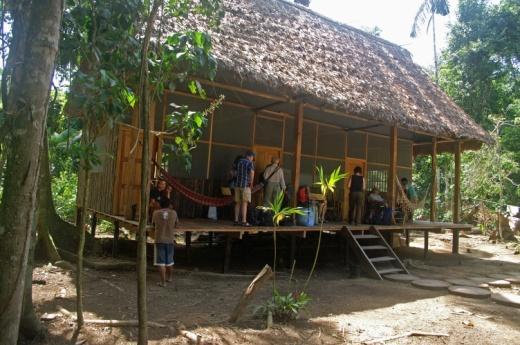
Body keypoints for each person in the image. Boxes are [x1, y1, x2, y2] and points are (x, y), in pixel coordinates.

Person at [152, 197, 179, 287]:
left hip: (159, 240)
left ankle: (163, 282)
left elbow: (153, 224)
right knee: (170, 261)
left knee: (160, 262)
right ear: (170, 205)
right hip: (170, 239)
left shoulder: (156, 213)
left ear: (159, 204)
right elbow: (177, 224)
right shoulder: (174, 213)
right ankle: (170, 278)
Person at [234, 150, 255, 226]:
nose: (252, 159)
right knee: (244, 203)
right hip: (245, 185)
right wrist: (251, 183)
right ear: (250, 156)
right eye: (252, 157)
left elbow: (234, 172)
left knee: (237, 203)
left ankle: (236, 220)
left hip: (237, 185)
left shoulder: (239, 162)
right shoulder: (249, 163)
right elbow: (252, 173)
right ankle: (244, 221)